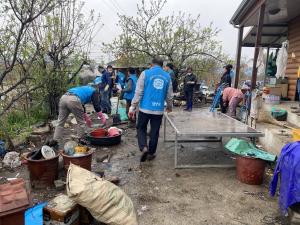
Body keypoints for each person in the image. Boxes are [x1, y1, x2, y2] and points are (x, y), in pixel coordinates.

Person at [128, 57, 173, 162]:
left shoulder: (145, 73)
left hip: (145, 109)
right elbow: (169, 95)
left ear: (152, 64)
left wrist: (132, 107)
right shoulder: (167, 76)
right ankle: (151, 153)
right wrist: (169, 107)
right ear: (162, 66)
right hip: (158, 110)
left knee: (141, 128)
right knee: (154, 132)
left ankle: (144, 147)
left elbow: (139, 92)